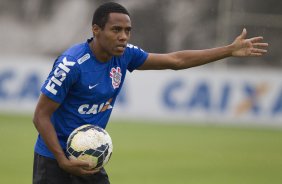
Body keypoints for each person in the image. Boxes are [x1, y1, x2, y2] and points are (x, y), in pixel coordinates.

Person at [32, 2, 268, 184]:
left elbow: (175, 60)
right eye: (116, 30)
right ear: (96, 30)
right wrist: (62, 160)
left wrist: (228, 50)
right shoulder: (72, 64)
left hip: (90, 156)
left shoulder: (125, 55)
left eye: (127, 30)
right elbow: (41, 115)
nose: (123, 36)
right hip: (54, 160)